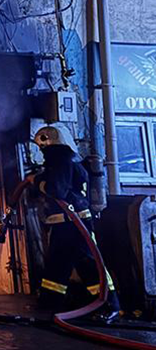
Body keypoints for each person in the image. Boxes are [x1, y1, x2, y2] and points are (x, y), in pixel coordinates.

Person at [31, 124, 120, 322]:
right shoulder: (64, 161)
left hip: (74, 224)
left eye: (44, 145)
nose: (42, 150)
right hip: (65, 224)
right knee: (57, 266)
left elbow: (57, 190)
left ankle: (109, 304)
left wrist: (36, 182)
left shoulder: (62, 160)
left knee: (89, 264)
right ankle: (50, 302)